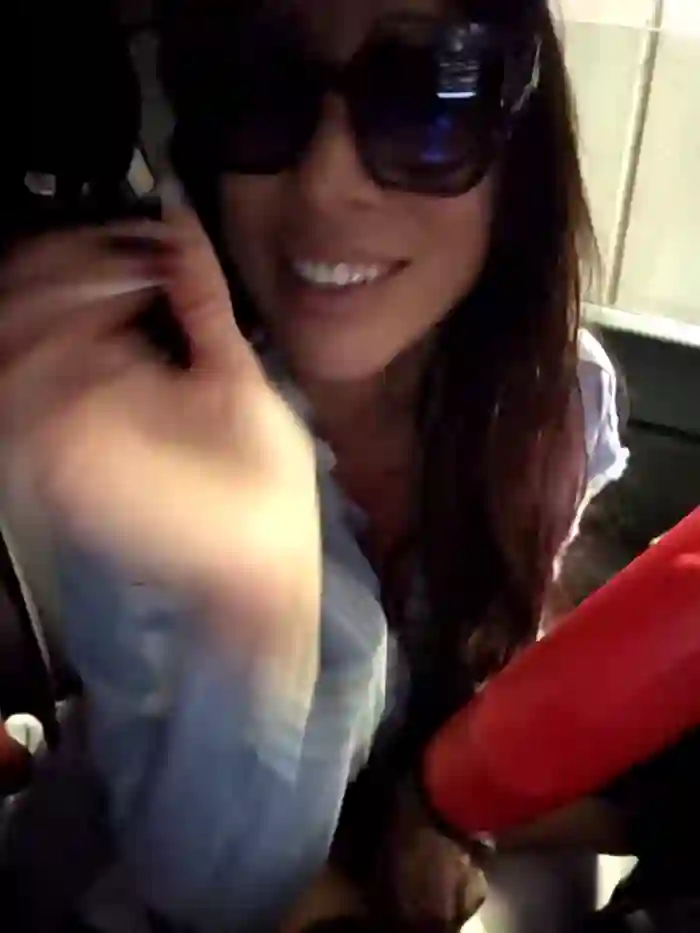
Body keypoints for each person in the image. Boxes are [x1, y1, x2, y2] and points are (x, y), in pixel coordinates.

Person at [0, 0, 628, 931]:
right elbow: (214, 892)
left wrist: (447, 812)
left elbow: (509, 633)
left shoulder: (559, 399)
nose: (326, 186)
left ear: (519, 146)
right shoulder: (153, 449)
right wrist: (261, 593)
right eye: (262, 91)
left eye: (428, 95)